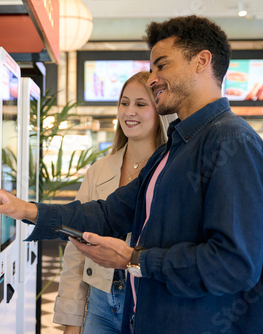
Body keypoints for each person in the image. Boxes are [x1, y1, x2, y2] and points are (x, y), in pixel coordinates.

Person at [0, 15, 263, 333]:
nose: (153, 78)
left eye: (161, 65)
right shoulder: (172, 149)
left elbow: (233, 265)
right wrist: (25, 209)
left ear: (202, 61)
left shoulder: (231, 142)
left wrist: (135, 258)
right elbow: (107, 214)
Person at [54, 71, 174, 334]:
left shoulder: (174, 169)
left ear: (160, 112)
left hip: (151, 300)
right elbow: (76, 250)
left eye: (141, 104)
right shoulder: (98, 170)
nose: (129, 111)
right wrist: (72, 321)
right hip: (98, 303)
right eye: (124, 102)